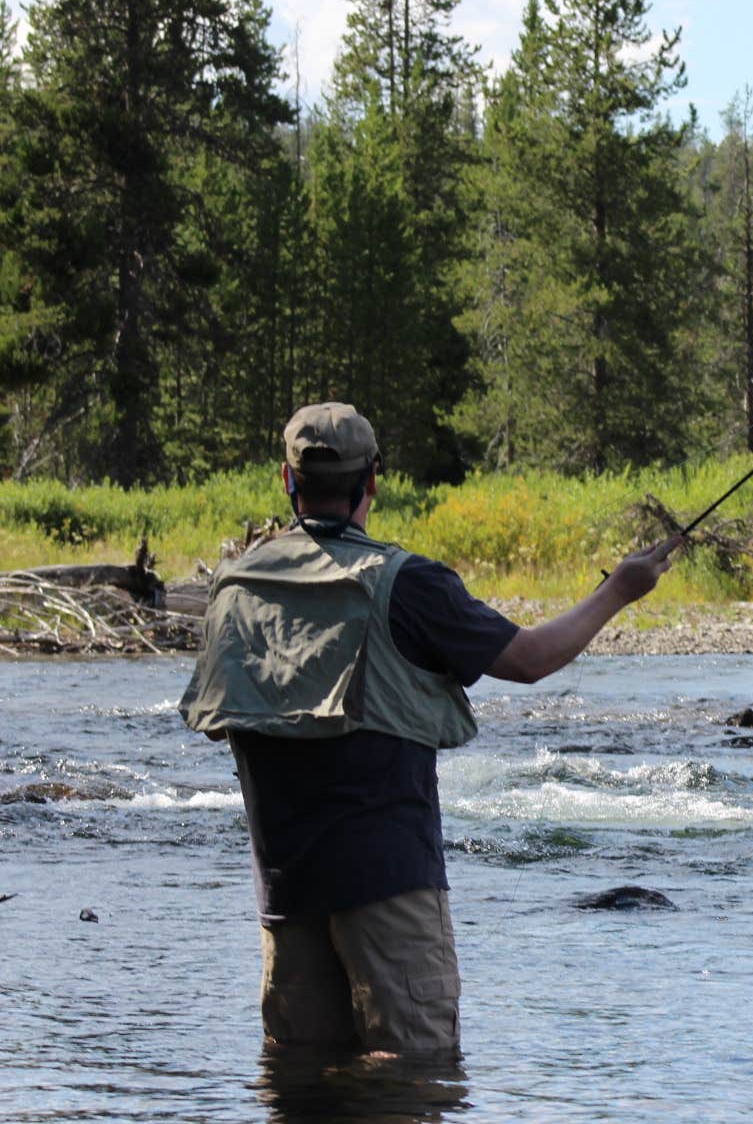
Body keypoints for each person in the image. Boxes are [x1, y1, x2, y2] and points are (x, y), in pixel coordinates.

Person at [181, 402, 680, 1055]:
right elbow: (529, 659)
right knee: (416, 1079)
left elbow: (219, 726)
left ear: (287, 479)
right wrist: (618, 590)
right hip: (391, 888)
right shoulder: (408, 583)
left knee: (301, 1087)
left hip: (283, 895)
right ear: (373, 480)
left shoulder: (234, 586)